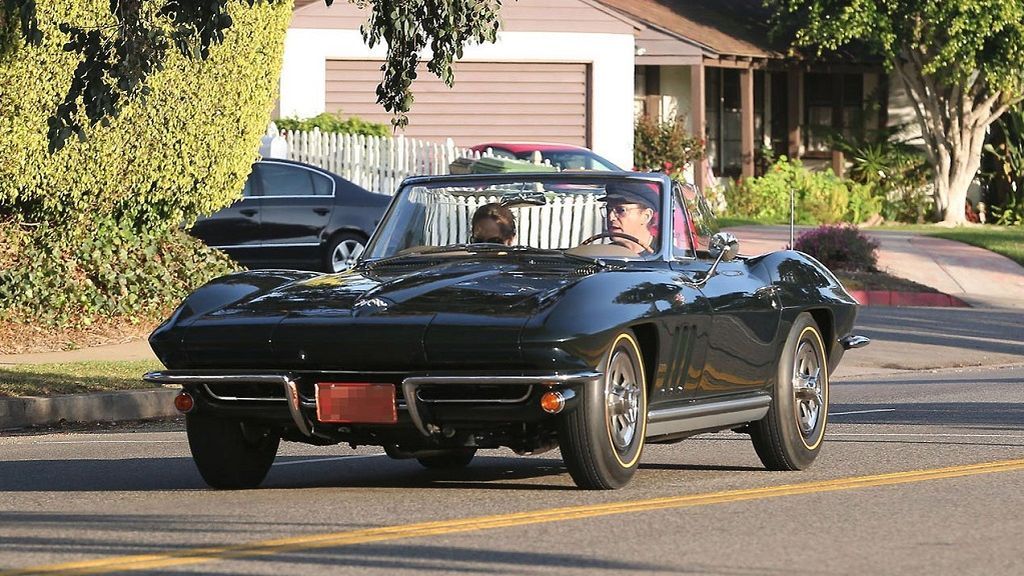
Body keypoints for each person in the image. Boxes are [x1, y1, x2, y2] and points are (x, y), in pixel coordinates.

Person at [602, 180, 660, 256]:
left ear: (646, 216)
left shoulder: (668, 258)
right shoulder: (602, 256)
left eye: (621, 210)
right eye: (608, 209)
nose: (611, 217)